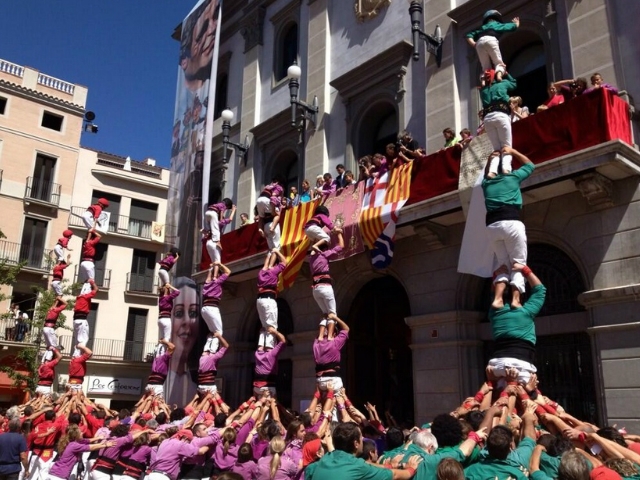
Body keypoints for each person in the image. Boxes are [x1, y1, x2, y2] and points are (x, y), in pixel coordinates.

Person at [482, 146, 534, 303]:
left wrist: (491, 159)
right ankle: (515, 300)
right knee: (518, 263)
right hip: (511, 221)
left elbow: (487, 174)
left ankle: (498, 298)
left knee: (503, 265)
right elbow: (530, 165)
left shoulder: (486, 184)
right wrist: (513, 152)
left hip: (492, 226)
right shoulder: (513, 178)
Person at [487, 262, 546, 384]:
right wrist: (497, 276)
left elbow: (540, 291)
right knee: (517, 398)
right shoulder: (523, 312)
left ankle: (503, 294)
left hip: (501, 363)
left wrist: (525, 270)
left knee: (517, 397)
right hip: (513, 364)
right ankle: (506, 286)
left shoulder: (497, 313)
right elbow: (540, 290)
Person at [305, 422, 423, 479]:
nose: (363, 439)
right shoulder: (358, 467)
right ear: (356, 444)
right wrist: (411, 468)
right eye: (361, 437)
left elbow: (367, 464)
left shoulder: (324, 459)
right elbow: (395, 476)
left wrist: (389, 466)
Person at [464, 411, 538, 480]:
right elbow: (529, 439)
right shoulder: (519, 472)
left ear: (487, 447)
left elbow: (484, 432)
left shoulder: (471, 471)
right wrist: (528, 417)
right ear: (511, 446)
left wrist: (491, 412)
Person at [166, 277, 200, 407]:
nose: (187, 321)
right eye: (179, 313)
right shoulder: (159, 381)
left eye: (193, 313)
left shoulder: (196, 385)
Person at [480, 69, 517, 176]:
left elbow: (483, 86)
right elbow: (514, 84)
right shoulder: (502, 83)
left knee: (496, 148)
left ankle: (492, 171)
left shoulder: (483, 90)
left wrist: (483, 82)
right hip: (501, 114)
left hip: (487, 118)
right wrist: (505, 73)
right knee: (506, 146)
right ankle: (506, 168)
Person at [466, 10, 519, 81]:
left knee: (485, 67)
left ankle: (484, 81)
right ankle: (499, 76)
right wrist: (516, 23)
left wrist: (473, 43)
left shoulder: (482, 28)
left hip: (479, 43)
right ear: (496, 19)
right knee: (498, 62)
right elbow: (512, 27)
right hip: (491, 40)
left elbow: (469, 35)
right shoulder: (496, 24)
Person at [309, 230, 344, 339]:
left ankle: (321, 336)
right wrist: (339, 233)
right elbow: (341, 246)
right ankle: (329, 336)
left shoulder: (312, 258)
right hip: (325, 287)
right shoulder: (324, 254)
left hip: (315, 289)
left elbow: (312, 249)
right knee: (332, 314)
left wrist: (316, 241)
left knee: (325, 313)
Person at [256, 249, 287, 349]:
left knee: (264, 326)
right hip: (269, 299)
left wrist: (269, 256)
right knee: (271, 326)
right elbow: (284, 262)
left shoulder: (261, 272)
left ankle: (261, 348)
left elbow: (265, 265)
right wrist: (277, 252)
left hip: (260, 300)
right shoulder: (273, 271)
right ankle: (269, 348)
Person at [313, 317, 350, 395]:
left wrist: (323, 320)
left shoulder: (316, 343)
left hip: (320, 381)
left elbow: (320, 334)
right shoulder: (335, 342)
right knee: (339, 402)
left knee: (323, 403)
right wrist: (334, 317)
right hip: (332, 380)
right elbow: (346, 329)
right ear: (335, 334)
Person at [201, 262, 231, 353]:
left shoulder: (206, 284)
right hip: (212, 307)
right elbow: (228, 272)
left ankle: (206, 350)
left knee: (212, 332)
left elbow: (209, 276)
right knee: (219, 332)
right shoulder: (217, 281)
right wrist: (220, 264)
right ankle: (213, 351)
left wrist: (211, 269)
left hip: (204, 308)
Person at [254, 330, 286, 398]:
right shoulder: (271, 354)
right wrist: (275, 332)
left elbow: (260, 347)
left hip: (257, 387)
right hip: (268, 387)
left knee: (259, 405)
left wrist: (262, 333)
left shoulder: (257, 354)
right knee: (270, 406)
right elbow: (283, 341)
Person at [203, 198, 234, 268]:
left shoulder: (217, 204)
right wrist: (221, 218)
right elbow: (223, 212)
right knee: (216, 229)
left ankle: (207, 232)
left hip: (207, 212)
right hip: (213, 213)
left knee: (209, 226)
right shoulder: (223, 206)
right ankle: (217, 241)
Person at [72, 279, 98, 357]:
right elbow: (96, 289)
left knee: (78, 339)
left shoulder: (78, 298)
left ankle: (76, 353)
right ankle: (78, 354)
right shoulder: (86, 296)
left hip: (75, 320)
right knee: (83, 339)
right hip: (82, 320)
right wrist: (92, 282)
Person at [197, 332, 228, 396]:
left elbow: (226, 346)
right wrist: (218, 336)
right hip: (207, 387)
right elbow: (226, 346)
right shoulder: (210, 357)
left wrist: (218, 336)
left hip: (204, 387)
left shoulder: (207, 357)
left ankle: (212, 338)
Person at [156, 284, 180, 357]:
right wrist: (170, 286)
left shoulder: (160, 298)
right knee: (166, 338)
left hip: (160, 319)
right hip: (166, 319)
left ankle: (158, 353)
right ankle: (162, 353)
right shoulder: (167, 298)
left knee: (162, 338)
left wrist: (167, 288)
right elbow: (177, 292)